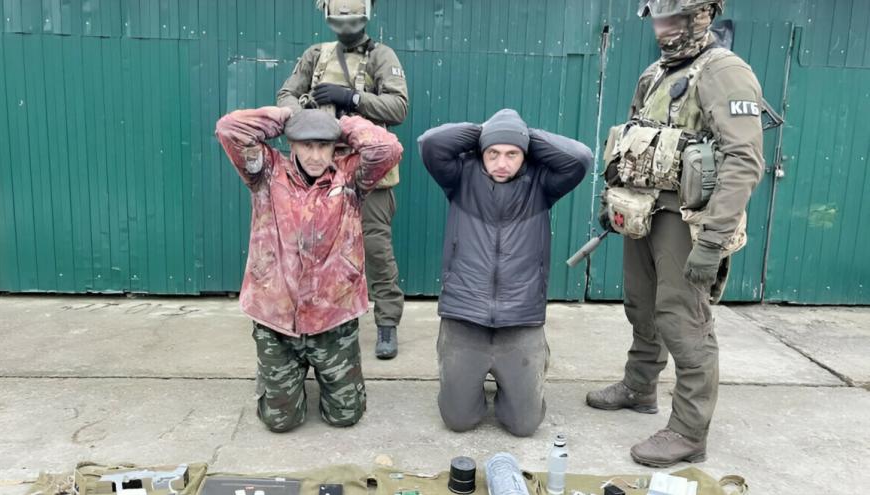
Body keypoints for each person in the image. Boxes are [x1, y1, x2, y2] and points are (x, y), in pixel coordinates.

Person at [585, 0, 764, 467]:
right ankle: (640, 386)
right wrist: (612, 199)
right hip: (642, 213)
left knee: (685, 321)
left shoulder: (724, 71)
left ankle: (688, 431)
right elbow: (630, 140)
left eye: (670, 19)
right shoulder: (655, 74)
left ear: (698, 16)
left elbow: (744, 160)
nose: (661, 29)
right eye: (657, 19)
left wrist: (713, 240)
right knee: (640, 305)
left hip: (686, 221)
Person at [215, 106, 403, 432]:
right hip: (276, 320)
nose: (315, 156)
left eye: (323, 145)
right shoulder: (266, 172)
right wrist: (287, 117)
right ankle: (281, 377)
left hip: (333, 318)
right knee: (280, 422)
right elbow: (229, 128)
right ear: (292, 143)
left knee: (345, 417)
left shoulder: (350, 177)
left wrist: (340, 125)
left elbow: (388, 148)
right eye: (306, 144)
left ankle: (320, 378)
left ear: (335, 146)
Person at [418, 109, 593, 437]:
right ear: (481, 152)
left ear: (525, 154)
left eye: (512, 154)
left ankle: (516, 380)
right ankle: (470, 380)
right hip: (464, 317)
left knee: (524, 426)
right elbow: (430, 143)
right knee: (458, 421)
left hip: (520, 320)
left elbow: (580, 157)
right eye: (493, 153)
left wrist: (521, 133)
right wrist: (487, 130)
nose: (501, 163)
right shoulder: (460, 177)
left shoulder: (542, 183)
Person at [278, 0, 409, 359]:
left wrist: (351, 97)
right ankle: (318, 320)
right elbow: (286, 94)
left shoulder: (381, 56)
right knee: (314, 248)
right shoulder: (315, 55)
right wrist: (307, 118)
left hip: (369, 172)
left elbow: (398, 107)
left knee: (376, 250)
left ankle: (387, 322)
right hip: (321, 169)